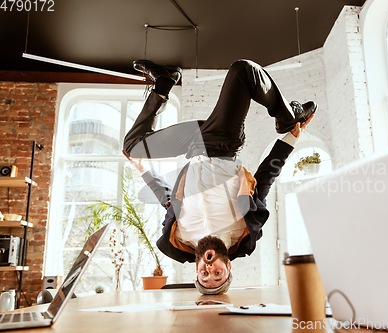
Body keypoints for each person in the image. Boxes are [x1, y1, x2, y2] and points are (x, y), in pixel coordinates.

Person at [122, 59, 316, 295]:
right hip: (221, 143)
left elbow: (168, 201)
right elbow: (264, 179)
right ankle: (289, 116)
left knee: (133, 146)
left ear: (197, 270)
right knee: (243, 71)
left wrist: (143, 170)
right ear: (228, 265)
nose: (210, 268)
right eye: (218, 274)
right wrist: (291, 139)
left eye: (205, 274)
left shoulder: (178, 239)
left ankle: (165, 81)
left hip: (193, 146)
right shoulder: (244, 230)